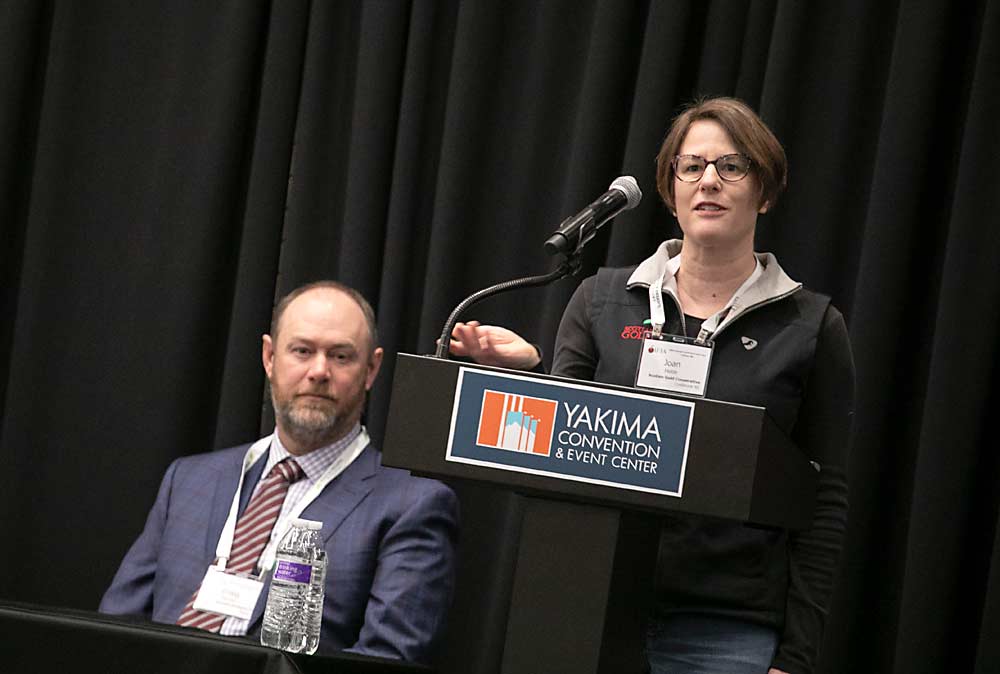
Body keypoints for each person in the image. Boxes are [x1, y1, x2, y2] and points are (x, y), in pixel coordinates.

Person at [449, 97, 855, 674]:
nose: (708, 181)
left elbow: (825, 502)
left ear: (764, 191)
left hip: (724, 628)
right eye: (691, 167)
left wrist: (795, 656)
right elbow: (560, 460)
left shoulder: (810, 326)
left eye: (731, 167)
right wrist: (530, 376)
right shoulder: (601, 299)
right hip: (584, 609)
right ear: (670, 190)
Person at [101, 281, 459, 662]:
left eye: (340, 356)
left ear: (371, 369)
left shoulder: (412, 505)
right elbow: (116, 628)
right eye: (302, 351)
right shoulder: (188, 480)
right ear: (269, 357)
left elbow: (386, 661)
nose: (319, 371)